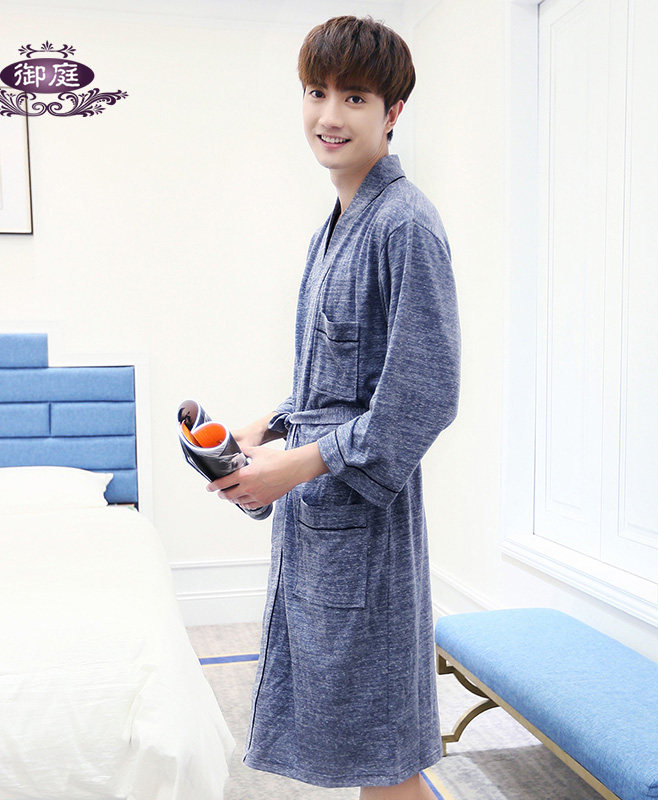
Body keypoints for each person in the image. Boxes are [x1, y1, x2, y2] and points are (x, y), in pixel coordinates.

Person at [206, 15, 461, 800]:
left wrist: (297, 466)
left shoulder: (403, 225)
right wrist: (266, 428)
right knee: (363, 744)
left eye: (353, 97)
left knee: (381, 749)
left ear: (392, 112)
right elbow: (341, 377)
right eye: (316, 92)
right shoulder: (340, 224)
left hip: (365, 526)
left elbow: (424, 395)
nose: (328, 115)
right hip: (322, 516)